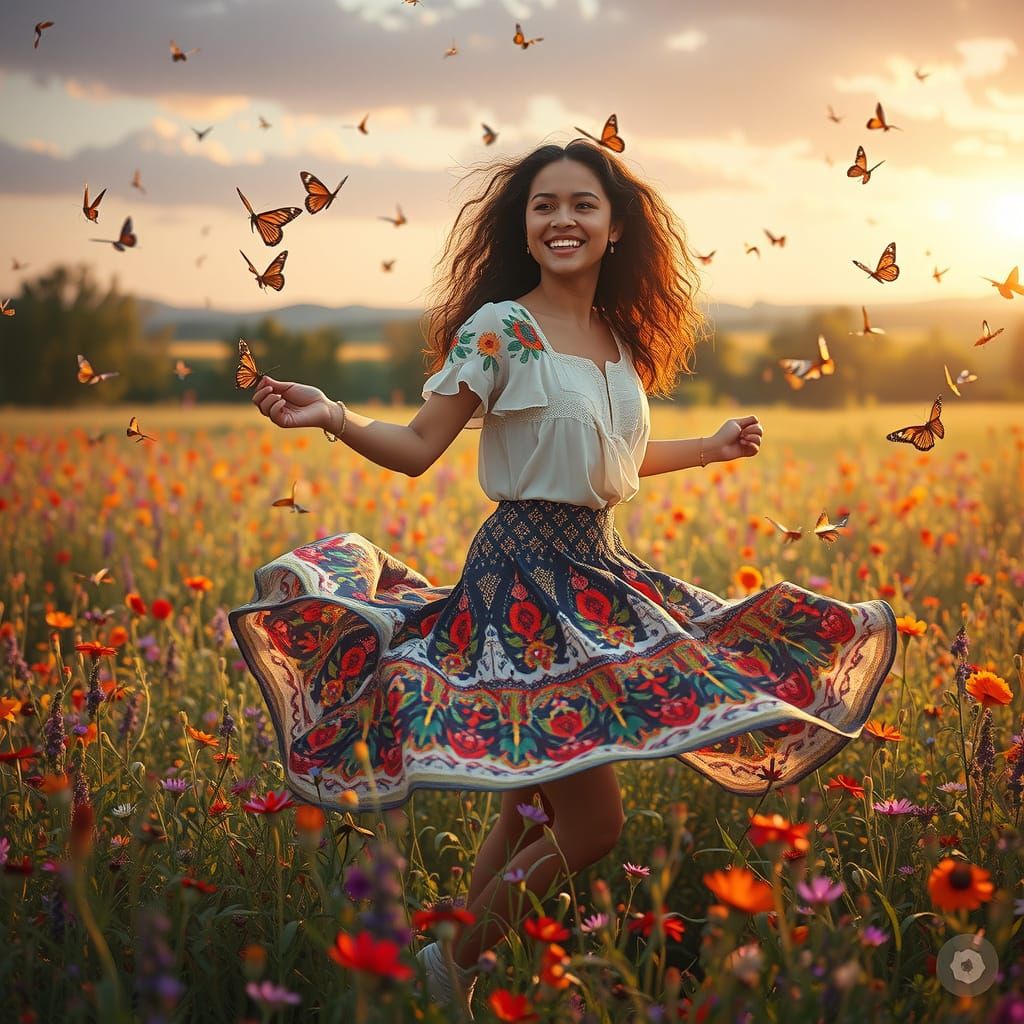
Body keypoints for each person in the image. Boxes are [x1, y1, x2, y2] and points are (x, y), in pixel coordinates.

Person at [232, 139, 897, 1015]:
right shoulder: (501, 327)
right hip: (522, 581)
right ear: (525, 225)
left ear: (616, 227)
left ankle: (448, 978)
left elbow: (608, 457)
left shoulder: (619, 340)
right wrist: (336, 415)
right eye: (544, 206)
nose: (562, 220)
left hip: (595, 567)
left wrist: (713, 447)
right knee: (595, 826)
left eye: (582, 204)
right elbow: (421, 447)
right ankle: (448, 965)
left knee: (530, 804)